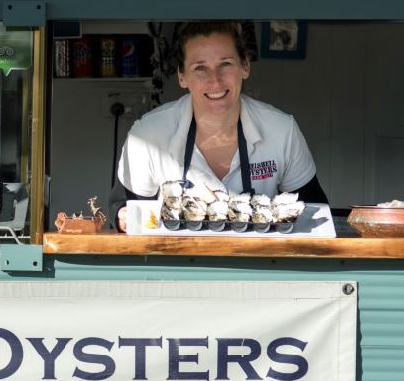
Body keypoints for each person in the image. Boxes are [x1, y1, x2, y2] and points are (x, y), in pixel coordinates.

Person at [113, 21, 328, 231]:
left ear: (245, 66)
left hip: (260, 263)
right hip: (175, 263)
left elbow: (314, 213)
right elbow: (126, 210)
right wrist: (124, 215)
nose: (215, 81)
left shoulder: (282, 131)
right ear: (181, 76)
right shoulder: (147, 135)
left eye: (225, 64)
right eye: (200, 68)